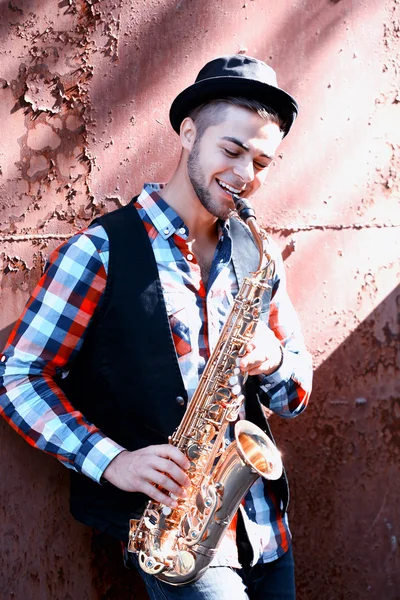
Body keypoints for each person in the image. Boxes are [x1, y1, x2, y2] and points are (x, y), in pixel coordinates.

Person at [0, 54, 312, 600]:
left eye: (262, 163)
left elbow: (292, 398)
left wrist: (278, 361)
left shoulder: (259, 254)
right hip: (178, 538)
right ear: (189, 133)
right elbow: (19, 377)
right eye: (232, 150)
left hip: (265, 531)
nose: (245, 176)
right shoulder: (98, 252)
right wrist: (112, 461)